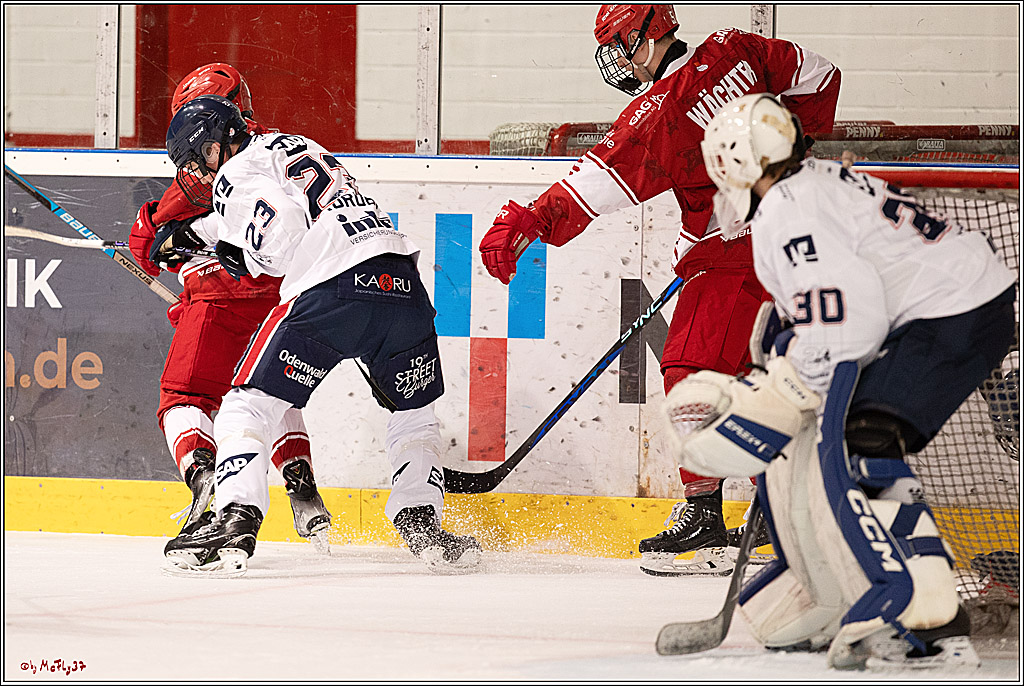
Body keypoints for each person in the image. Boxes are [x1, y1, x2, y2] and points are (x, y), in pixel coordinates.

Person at [477, 5, 841, 575]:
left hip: (737, 250)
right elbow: (821, 76)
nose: (617, 59)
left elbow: (593, 186)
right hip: (804, 231)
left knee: (688, 369)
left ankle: (709, 519)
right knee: (757, 371)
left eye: (619, 44)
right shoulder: (735, 47)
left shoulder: (659, 112)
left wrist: (530, 222)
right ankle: (776, 499)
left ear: (649, 36)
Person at [665, 93, 1015, 668]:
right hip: (964, 301)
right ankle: (906, 604)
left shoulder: (786, 210)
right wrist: (782, 365)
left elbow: (851, 323)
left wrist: (794, 387)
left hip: (955, 311)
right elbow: (817, 309)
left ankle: (927, 619)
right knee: (864, 436)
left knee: (865, 439)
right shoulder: (813, 182)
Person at [156, 94, 482, 576]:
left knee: (246, 404)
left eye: (200, 161)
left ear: (215, 145)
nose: (203, 175)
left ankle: (236, 518)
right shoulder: (295, 144)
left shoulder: (234, 172)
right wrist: (202, 232)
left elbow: (281, 237)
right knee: (413, 411)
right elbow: (296, 202)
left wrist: (238, 259)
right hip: (399, 279)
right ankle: (421, 520)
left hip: (334, 290)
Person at [128, 64, 333, 554]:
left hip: (220, 297)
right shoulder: (285, 146)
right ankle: (301, 484)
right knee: (269, 391)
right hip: (283, 292)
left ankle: (205, 484)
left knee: (184, 397)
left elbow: (147, 248)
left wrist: (153, 227)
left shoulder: (207, 164)